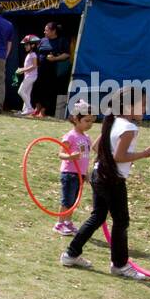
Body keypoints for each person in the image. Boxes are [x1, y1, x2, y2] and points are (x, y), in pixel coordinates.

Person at [60, 86, 150, 276]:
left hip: (100, 175)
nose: (146, 109)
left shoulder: (113, 121)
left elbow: (97, 147)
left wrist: (116, 160)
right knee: (121, 221)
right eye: (144, 105)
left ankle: (71, 254)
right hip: (112, 180)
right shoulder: (129, 128)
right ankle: (120, 265)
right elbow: (119, 156)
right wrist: (145, 155)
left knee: (98, 216)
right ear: (129, 107)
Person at [53, 100, 95, 236]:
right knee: (67, 200)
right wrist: (70, 157)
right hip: (69, 173)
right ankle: (59, 223)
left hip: (80, 174)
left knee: (74, 200)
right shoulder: (70, 136)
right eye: (87, 121)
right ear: (76, 119)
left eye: (92, 121)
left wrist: (86, 173)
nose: (90, 124)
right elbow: (60, 154)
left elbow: (85, 157)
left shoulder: (87, 138)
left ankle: (68, 222)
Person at [33, 21, 70, 118]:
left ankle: (43, 111)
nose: (44, 32)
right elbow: (37, 53)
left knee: (48, 91)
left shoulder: (61, 40)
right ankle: (37, 109)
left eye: (46, 30)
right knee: (37, 89)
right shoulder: (42, 40)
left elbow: (66, 54)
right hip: (40, 70)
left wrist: (55, 59)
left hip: (52, 70)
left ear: (53, 31)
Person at [17, 34, 40, 115]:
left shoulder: (33, 54)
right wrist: (22, 69)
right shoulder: (30, 54)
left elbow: (34, 66)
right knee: (27, 93)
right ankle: (25, 110)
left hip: (31, 76)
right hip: (29, 76)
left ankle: (29, 108)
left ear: (33, 45)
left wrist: (22, 70)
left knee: (21, 91)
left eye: (27, 44)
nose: (25, 46)